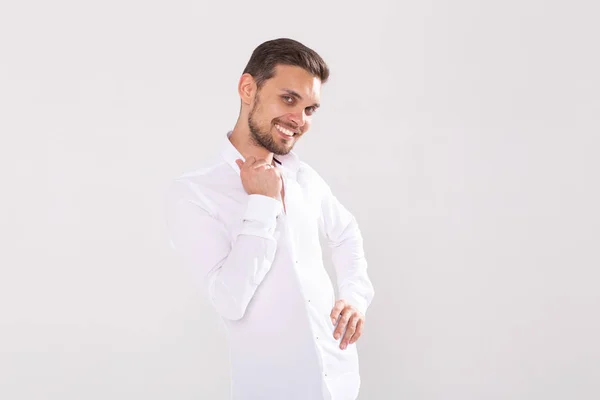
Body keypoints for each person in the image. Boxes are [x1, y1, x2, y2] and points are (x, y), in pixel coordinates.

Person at [164, 38, 375, 400]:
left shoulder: (305, 177)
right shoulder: (195, 194)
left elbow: (346, 234)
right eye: (289, 99)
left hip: (339, 382)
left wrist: (355, 297)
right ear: (248, 89)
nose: (300, 120)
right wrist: (262, 204)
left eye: (310, 109)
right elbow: (229, 300)